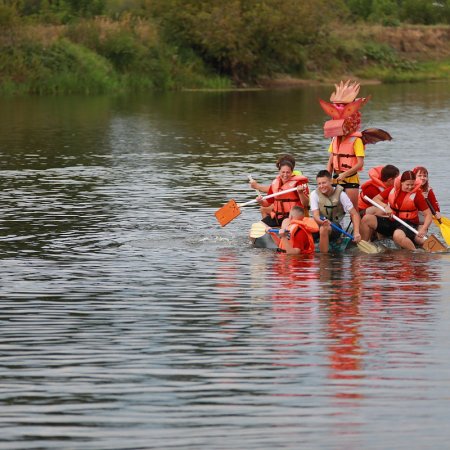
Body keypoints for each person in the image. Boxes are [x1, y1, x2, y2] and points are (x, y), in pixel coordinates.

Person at [319, 80, 392, 211]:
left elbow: (359, 164)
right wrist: (326, 178)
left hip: (350, 179)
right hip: (336, 179)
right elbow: (331, 159)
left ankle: (357, 230)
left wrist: (345, 174)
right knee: (333, 209)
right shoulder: (335, 139)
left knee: (353, 209)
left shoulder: (356, 140)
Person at [360, 170, 432, 250]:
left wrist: (423, 229)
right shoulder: (392, 189)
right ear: (401, 182)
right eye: (407, 184)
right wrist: (385, 207)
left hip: (408, 224)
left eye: (412, 184)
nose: (410, 187)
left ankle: (414, 252)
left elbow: (428, 215)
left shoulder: (417, 195)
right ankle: (364, 244)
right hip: (392, 221)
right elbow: (375, 199)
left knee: (397, 235)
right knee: (367, 219)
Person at [310, 170, 362, 253]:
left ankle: (324, 258)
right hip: (320, 223)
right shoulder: (314, 194)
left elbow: (354, 214)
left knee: (324, 229)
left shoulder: (341, 194)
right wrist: (322, 222)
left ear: (330, 181)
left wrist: (356, 233)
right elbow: (316, 216)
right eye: (319, 183)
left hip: (336, 227)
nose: (321, 186)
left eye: (324, 183)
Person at [256, 155, 309, 227]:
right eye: (283, 172)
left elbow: (305, 203)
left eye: (288, 172)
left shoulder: (299, 183)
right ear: (279, 171)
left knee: (285, 223)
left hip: (291, 217)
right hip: (277, 217)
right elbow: (266, 204)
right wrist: (260, 201)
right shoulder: (275, 183)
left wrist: (300, 193)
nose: (285, 175)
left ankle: (284, 234)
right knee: (256, 228)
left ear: (292, 172)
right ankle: (269, 234)